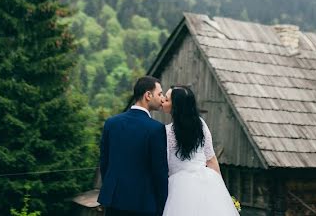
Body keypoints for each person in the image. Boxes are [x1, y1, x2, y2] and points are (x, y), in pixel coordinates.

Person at [160, 86, 239, 216]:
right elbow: (212, 160)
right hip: (206, 181)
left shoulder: (167, 132)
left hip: (180, 188)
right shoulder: (201, 125)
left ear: (176, 107)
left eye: (167, 100)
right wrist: (220, 189)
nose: (163, 101)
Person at [98, 76, 169, 216]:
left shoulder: (111, 123)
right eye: (159, 93)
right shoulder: (156, 129)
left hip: (114, 200)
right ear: (148, 95)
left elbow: (104, 163)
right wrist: (162, 205)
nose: (162, 98)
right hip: (142, 203)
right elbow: (159, 172)